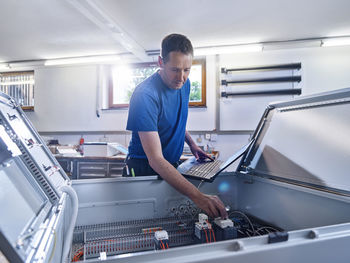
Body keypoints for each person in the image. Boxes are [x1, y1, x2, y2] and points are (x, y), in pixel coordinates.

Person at [123, 33, 227, 219]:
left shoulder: (184, 85)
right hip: (143, 169)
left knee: (167, 220)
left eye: (187, 70)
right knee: (143, 222)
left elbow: (173, 120)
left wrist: (192, 144)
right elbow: (155, 159)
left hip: (169, 165)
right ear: (160, 62)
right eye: (175, 69)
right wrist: (200, 198)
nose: (181, 77)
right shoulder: (145, 96)